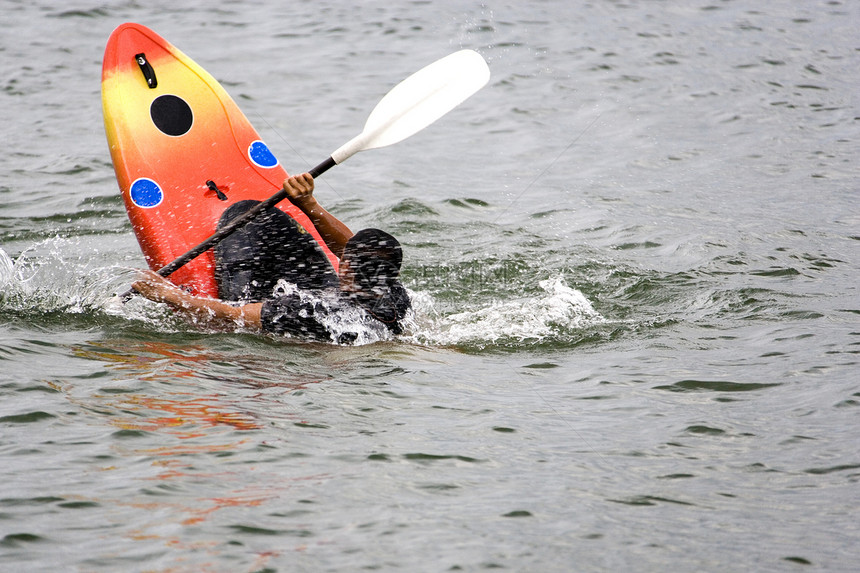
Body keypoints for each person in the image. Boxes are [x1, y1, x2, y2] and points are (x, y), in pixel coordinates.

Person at [132, 173, 411, 343]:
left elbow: (233, 315)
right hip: (342, 320)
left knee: (230, 323)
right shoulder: (394, 295)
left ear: (347, 267)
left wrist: (167, 295)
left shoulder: (310, 312)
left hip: (291, 345)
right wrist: (309, 204)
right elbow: (349, 249)